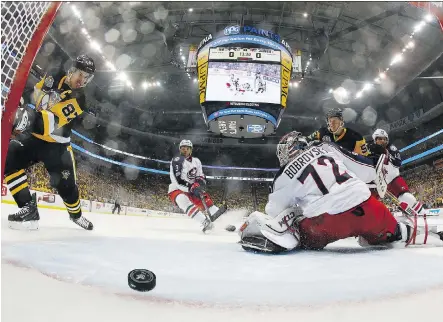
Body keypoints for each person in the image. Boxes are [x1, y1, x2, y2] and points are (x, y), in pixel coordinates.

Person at [238, 131, 442, 253]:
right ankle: (427, 235)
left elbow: (274, 211)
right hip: (366, 206)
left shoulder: (283, 175)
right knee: (395, 233)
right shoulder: (327, 148)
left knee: (300, 235)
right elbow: (366, 170)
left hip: (326, 221)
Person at [4, 55, 95, 231]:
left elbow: (50, 124)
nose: (82, 80)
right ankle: (27, 208)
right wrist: (21, 102)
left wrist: (25, 117)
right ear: (72, 70)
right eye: (81, 74)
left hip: (57, 146)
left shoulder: (79, 99)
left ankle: (76, 216)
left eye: (87, 77)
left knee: (67, 188)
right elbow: (35, 95)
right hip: (34, 138)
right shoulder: (54, 74)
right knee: (8, 159)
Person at [168, 139, 227, 232]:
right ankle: (205, 222)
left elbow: (201, 175)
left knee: (208, 203)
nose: (185, 150)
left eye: (187, 148)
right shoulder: (177, 160)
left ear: (191, 150)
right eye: (183, 148)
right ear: (180, 149)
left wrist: (200, 184)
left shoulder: (196, 161)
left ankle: (225, 224)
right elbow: (178, 180)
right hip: (178, 188)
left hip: (193, 188)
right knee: (182, 200)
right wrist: (191, 187)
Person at [367, 128, 426, 215]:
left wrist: (385, 153)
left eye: (384, 139)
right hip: (378, 182)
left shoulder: (391, 148)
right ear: (375, 139)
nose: (383, 141)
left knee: (407, 197)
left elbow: (397, 163)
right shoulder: (368, 149)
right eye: (380, 138)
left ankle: (422, 213)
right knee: (367, 203)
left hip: (393, 179)